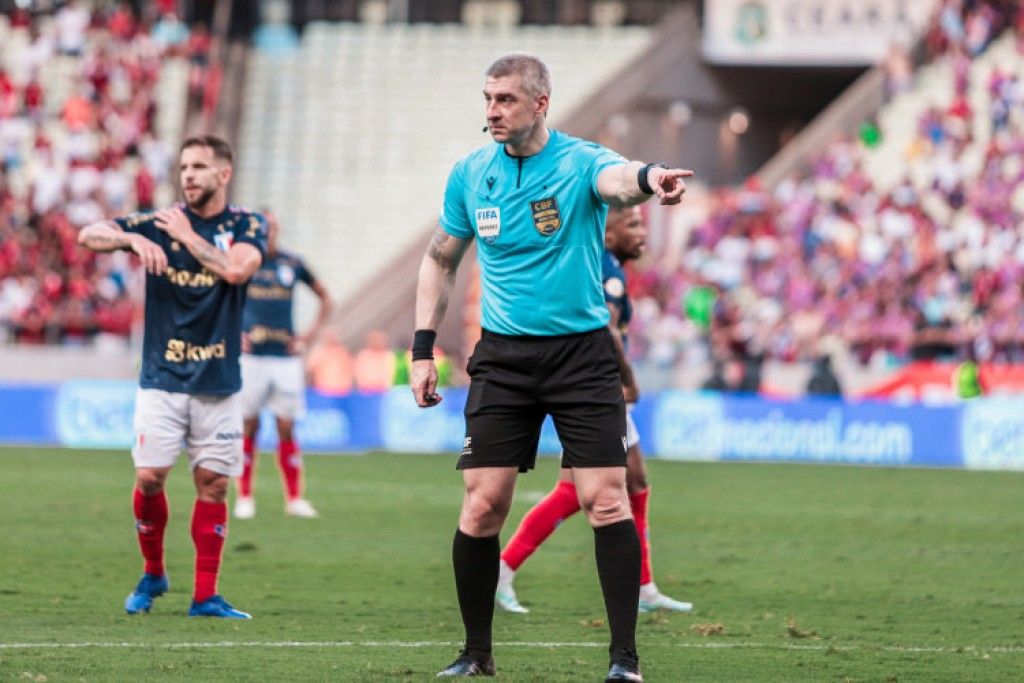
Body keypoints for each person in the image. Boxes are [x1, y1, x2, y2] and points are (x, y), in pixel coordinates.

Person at [411, 53, 692, 681]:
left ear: (541, 103)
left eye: (506, 99)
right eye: (487, 98)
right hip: (504, 358)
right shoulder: (471, 174)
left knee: (606, 501)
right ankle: (476, 654)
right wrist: (422, 347)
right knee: (482, 505)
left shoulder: (578, 160)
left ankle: (625, 661)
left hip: (581, 355)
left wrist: (652, 179)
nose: (492, 111)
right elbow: (440, 259)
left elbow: (619, 181)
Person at [77, 135, 265, 619]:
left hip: (218, 380)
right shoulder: (159, 223)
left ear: (224, 174)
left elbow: (237, 271)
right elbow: (88, 234)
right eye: (184, 166)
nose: (188, 175)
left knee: (213, 485)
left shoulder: (246, 224)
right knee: (150, 476)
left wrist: (184, 236)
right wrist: (131, 238)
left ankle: (205, 595)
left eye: (199, 167)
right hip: (161, 376)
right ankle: (154, 571)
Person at [495, 205, 693, 616]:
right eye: (633, 224)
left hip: (591, 386)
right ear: (607, 231)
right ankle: (504, 568)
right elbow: (604, 328)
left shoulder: (600, 264)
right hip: (595, 390)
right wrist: (629, 378)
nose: (642, 233)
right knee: (575, 491)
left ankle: (644, 587)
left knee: (635, 482)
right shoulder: (606, 270)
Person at [234, 209, 332, 520]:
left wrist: (308, 337)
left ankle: (294, 499)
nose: (268, 232)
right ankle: (245, 497)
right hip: (251, 358)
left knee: (286, 427)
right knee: (248, 424)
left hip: (285, 359)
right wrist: (232, 332)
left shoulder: (292, 263)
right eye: (263, 227)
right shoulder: (242, 262)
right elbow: (219, 299)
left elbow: (325, 298)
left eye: (273, 227)